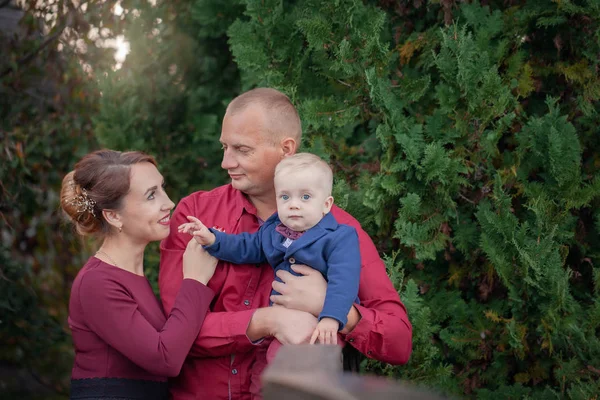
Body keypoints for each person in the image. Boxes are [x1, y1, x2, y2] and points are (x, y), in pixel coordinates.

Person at [159, 88, 413, 400]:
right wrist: (267, 321)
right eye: (225, 147)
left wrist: (334, 308)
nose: (226, 162)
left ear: (286, 149)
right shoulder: (197, 215)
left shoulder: (341, 231)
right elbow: (175, 335)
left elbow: (399, 340)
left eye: (242, 149)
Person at [61, 149, 218, 400]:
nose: (169, 203)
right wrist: (195, 280)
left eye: (162, 188)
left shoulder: (130, 276)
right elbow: (164, 359)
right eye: (151, 196)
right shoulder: (96, 283)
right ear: (113, 216)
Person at [178, 152, 361, 355]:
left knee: (310, 370)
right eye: (285, 196)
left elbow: (344, 282)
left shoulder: (339, 237)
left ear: (326, 204)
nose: (293, 204)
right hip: (285, 327)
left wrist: (331, 318)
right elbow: (246, 246)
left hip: (324, 327)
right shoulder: (274, 230)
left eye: (305, 197)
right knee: (272, 363)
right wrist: (212, 239)